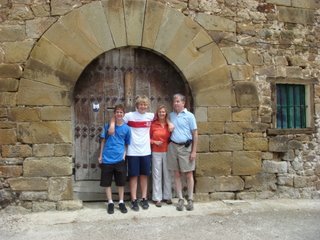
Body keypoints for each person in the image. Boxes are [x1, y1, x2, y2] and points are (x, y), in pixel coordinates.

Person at [109, 96, 154, 211]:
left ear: (147, 106)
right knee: (133, 176)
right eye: (140, 104)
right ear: (137, 105)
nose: (143, 106)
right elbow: (117, 116)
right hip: (132, 151)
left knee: (144, 175)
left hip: (146, 151)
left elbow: (164, 117)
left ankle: (144, 198)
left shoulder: (151, 116)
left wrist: (169, 122)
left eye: (145, 104)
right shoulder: (129, 116)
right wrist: (112, 124)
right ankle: (133, 200)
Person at [98, 104, 131, 214]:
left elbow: (127, 144)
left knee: (120, 182)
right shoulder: (107, 126)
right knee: (107, 182)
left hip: (119, 159)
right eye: (117, 112)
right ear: (114, 114)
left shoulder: (127, 128)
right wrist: (100, 155)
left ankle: (121, 202)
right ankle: (110, 202)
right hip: (107, 158)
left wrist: (124, 156)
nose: (119, 114)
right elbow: (102, 141)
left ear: (123, 114)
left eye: (121, 112)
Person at [167, 93, 198, 211]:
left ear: (183, 103)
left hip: (186, 148)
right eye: (174, 101)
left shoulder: (189, 116)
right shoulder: (171, 115)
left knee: (189, 174)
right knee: (176, 174)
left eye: (178, 101)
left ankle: (190, 199)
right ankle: (180, 199)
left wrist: (194, 151)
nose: (175, 103)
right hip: (173, 147)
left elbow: (195, 133)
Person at [150, 105, 172, 207]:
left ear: (166, 113)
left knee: (167, 174)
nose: (161, 113)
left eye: (163, 112)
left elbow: (173, 133)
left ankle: (167, 196)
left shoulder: (169, 125)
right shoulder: (153, 125)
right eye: (160, 112)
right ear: (157, 113)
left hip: (167, 151)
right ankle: (157, 198)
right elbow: (147, 138)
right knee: (157, 174)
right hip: (156, 151)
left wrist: (168, 122)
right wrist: (154, 142)